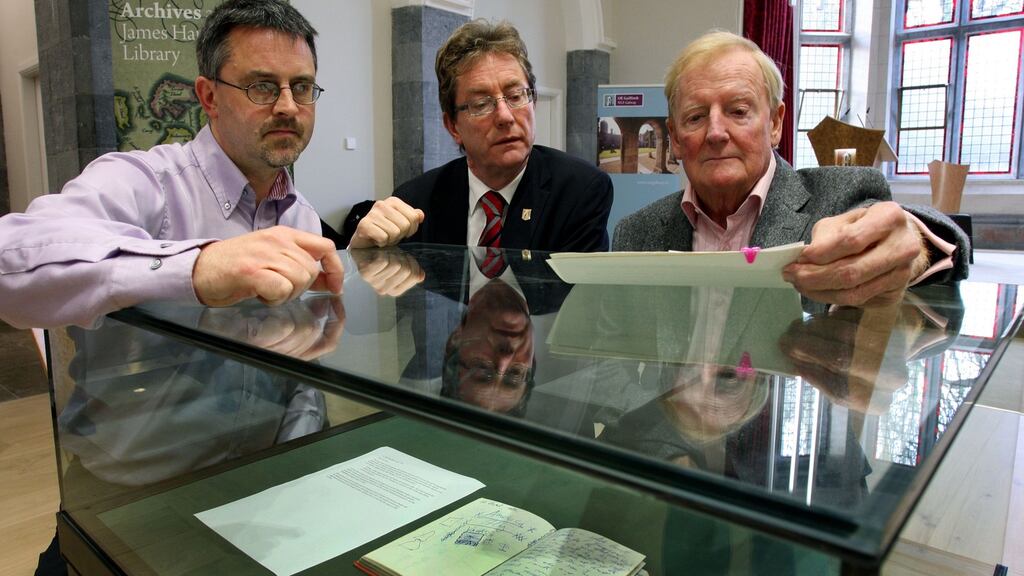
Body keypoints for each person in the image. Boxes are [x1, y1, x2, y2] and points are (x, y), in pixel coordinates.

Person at [0, 0, 342, 331]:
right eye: (262, 87)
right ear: (209, 97)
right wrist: (197, 266)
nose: (288, 106)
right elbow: (9, 256)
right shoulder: (146, 182)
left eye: (301, 87)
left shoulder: (303, 216)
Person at [613, 31, 969, 307]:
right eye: (695, 117)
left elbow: (897, 234)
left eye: (738, 111)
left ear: (775, 124)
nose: (716, 133)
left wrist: (915, 242)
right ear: (674, 137)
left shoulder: (839, 197)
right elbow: (612, 360)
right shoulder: (635, 234)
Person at [348, 19, 612, 253]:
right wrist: (362, 252)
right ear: (453, 126)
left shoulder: (579, 190)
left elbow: (579, 302)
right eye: (481, 104)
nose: (505, 116)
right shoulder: (417, 201)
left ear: (534, 102)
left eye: (516, 96)